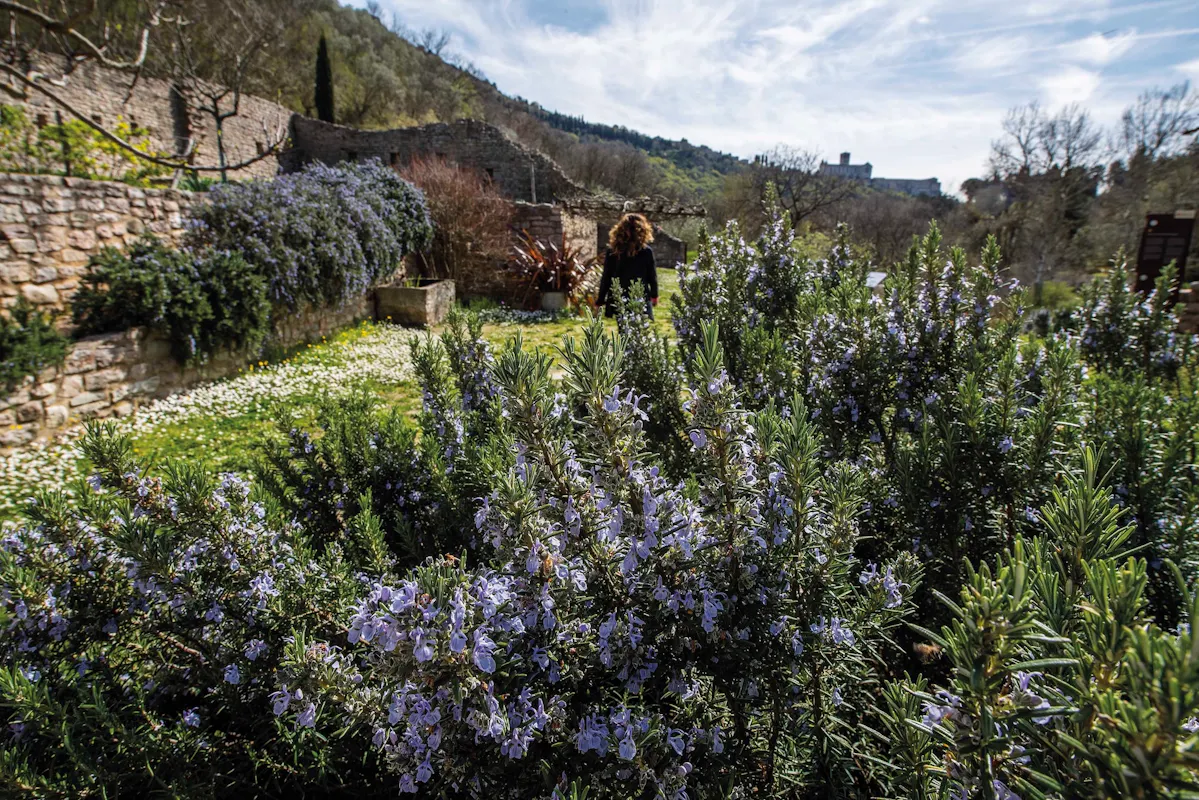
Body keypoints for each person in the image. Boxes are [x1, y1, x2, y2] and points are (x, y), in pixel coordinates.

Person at [597, 213, 658, 318]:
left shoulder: (613, 251)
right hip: (640, 295)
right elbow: (652, 276)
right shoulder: (646, 251)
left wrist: (600, 300)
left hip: (619, 296)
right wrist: (654, 295)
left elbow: (606, 277)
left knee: (623, 325)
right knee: (639, 325)